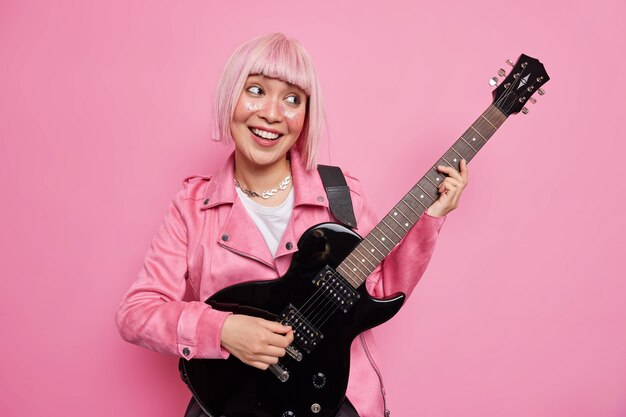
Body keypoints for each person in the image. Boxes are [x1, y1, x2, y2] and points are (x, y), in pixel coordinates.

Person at [116, 33, 468, 417]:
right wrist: (222, 330)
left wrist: (431, 217)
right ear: (228, 97)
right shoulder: (192, 208)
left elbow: (381, 289)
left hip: (335, 400)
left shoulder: (341, 194)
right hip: (237, 403)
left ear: (305, 115)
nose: (271, 113)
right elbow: (137, 312)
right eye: (255, 90)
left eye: (292, 99)